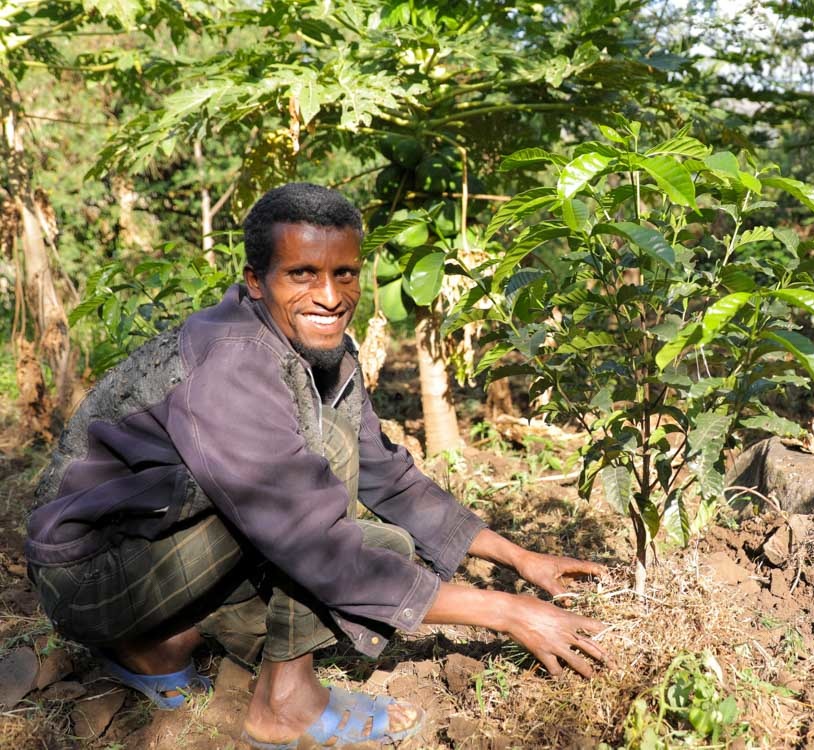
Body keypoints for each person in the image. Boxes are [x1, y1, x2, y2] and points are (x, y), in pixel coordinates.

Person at [25, 182, 607, 748]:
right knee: (326, 452)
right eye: (302, 274)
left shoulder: (322, 349)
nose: (329, 296)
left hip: (159, 541)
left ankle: (161, 643)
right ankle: (284, 706)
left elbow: (387, 474)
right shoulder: (232, 363)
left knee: (387, 548)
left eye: (344, 273)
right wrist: (507, 613)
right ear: (255, 281)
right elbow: (315, 545)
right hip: (91, 577)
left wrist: (520, 558)